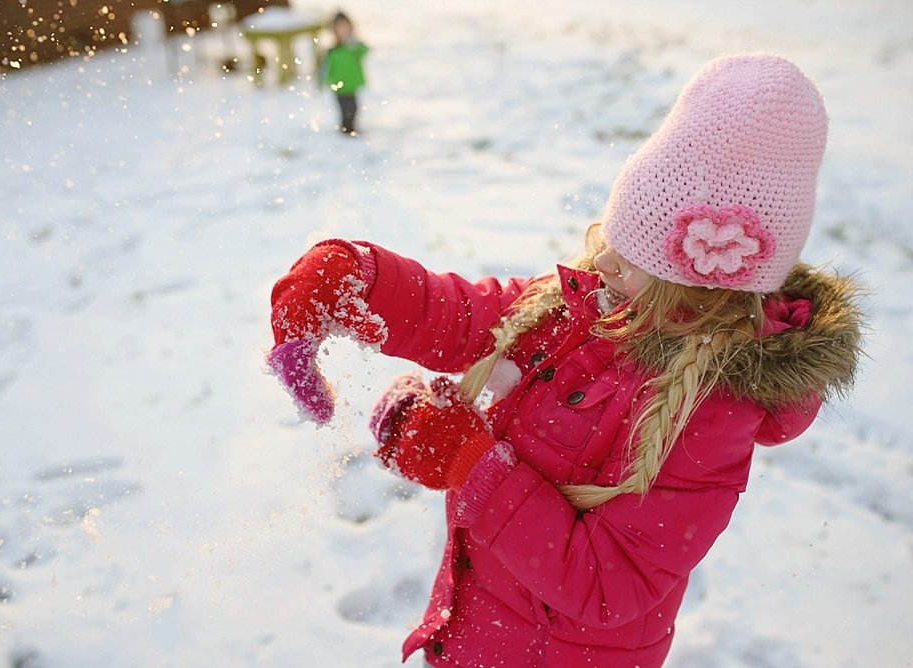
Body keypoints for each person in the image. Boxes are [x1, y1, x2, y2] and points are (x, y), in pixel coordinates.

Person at [266, 54, 863, 667]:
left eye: (629, 256)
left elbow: (610, 584)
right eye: (611, 238)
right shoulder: (594, 309)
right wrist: (355, 279)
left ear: (693, 285)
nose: (602, 263)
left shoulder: (711, 415)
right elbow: (470, 318)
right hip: (478, 637)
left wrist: (467, 463)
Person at [323, 11, 368, 136]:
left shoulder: (354, 47)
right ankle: (346, 129)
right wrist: (323, 81)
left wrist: (355, 44)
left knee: (354, 108)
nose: (344, 31)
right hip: (339, 86)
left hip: (352, 85)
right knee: (345, 109)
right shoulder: (333, 51)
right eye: (340, 28)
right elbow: (326, 68)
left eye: (346, 27)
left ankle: (351, 126)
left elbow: (365, 51)